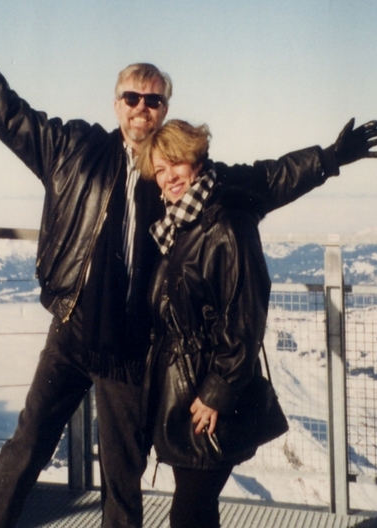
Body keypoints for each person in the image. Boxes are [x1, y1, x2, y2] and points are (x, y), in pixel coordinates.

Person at [0, 3, 377, 527]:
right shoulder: (72, 150)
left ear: (165, 108)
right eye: (133, 97)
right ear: (117, 103)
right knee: (24, 450)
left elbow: (266, 179)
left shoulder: (184, 174)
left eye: (154, 99)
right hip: (73, 332)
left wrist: (330, 158)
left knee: (121, 479)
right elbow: (13, 117)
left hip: (132, 349)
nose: (142, 107)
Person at [136, 120, 274, 527]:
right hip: (182, 388)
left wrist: (218, 390)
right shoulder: (178, 226)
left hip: (206, 392)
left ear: (196, 160)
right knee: (197, 505)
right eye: (159, 170)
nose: (168, 177)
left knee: (190, 509)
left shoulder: (227, 225)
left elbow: (246, 317)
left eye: (175, 164)